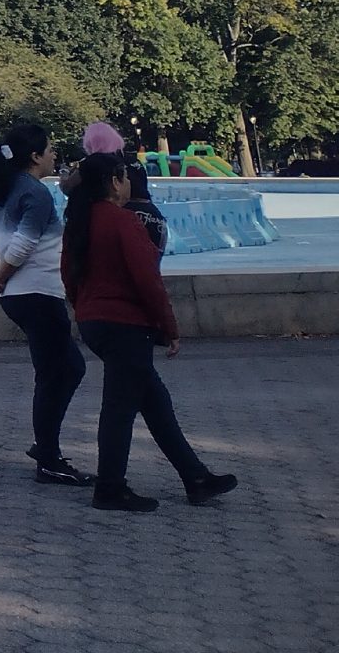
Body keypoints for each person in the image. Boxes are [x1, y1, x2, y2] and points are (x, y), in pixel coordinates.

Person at [62, 149, 238, 512]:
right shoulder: (123, 221)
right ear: (114, 182)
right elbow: (148, 281)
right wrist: (169, 327)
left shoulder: (79, 221)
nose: (128, 184)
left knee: (155, 402)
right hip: (125, 325)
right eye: (124, 177)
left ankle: (196, 477)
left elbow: (68, 274)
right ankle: (110, 487)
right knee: (119, 409)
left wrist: (84, 309)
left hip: (95, 321)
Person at [0, 121, 91, 484]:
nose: (55, 155)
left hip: (18, 296)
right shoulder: (36, 193)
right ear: (36, 156)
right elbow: (24, 244)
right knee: (65, 370)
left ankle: (46, 451)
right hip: (38, 294)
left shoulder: (0, 189)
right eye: (51, 149)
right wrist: (0, 278)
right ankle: (48, 454)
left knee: (56, 370)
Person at [75, 122, 169, 252]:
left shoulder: (97, 167)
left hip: (124, 219)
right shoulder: (134, 161)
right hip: (154, 218)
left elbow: (72, 188)